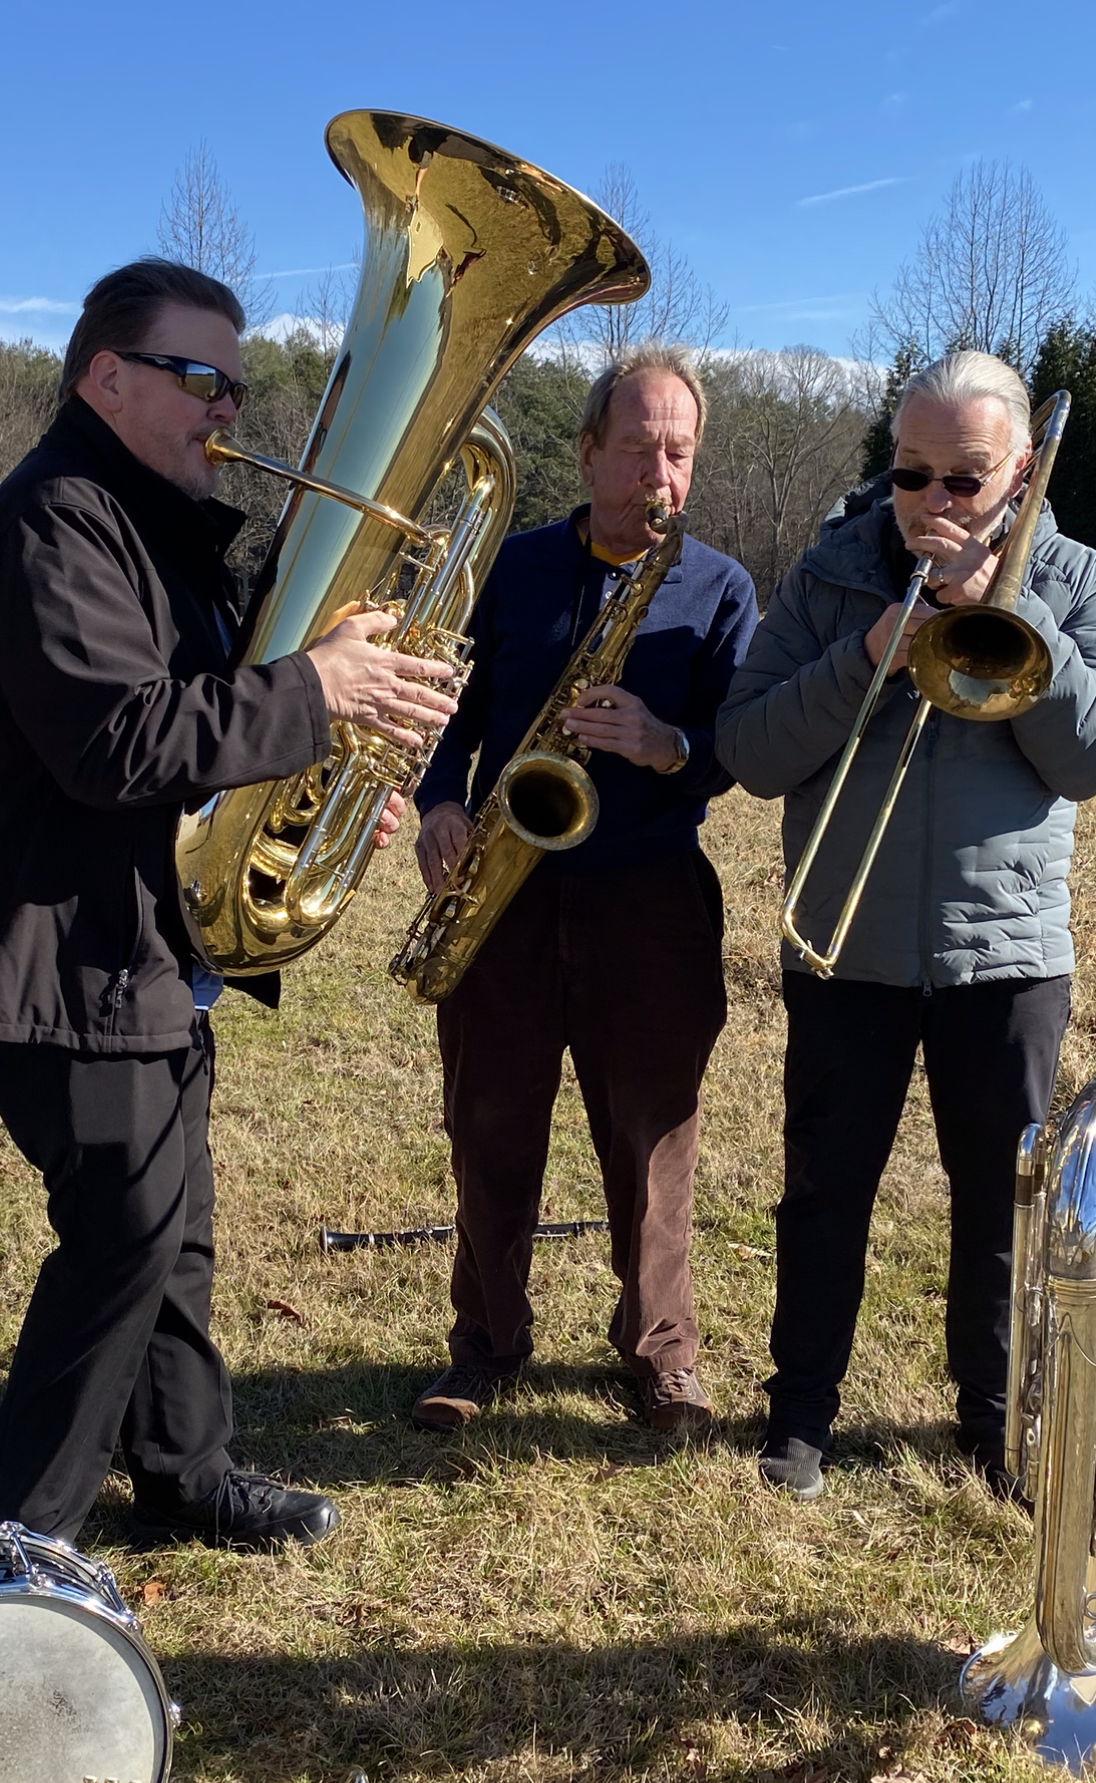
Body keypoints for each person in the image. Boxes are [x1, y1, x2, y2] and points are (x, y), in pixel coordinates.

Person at [0, 257, 455, 1549]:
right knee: (122, 1237)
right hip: (64, 961)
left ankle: (184, 1468)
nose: (229, 407)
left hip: (133, 946)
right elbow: (116, 739)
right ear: (106, 376)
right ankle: (12, 1550)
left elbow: (211, 732)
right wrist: (315, 691)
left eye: (237, 382)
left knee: (174, 1222)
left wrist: (334, 769)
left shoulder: (147, 524)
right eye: (199, 377)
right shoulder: (59, 520)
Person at [715, 349, 1096, 1500]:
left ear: (1017, 472)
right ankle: (798, 1417)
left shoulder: (1069, 575)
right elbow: (748, 752)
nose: (934, 506)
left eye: (965, 479)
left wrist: (1018, 628)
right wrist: (864, 656)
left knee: (996, 1202)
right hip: (844, 948)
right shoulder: (829, 576)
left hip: (1003, 957)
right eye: (911, 476)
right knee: (821, 1193)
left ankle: (993, 1422)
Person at [407, 344, 758, 1436]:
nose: (661, 473)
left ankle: (660, 1355)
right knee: (488, 1122)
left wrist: (664, 745)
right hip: (503, 891)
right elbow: (440, 710)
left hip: (649, 894)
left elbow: (737, 743)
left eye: (679, 452)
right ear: (587, 451)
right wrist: (435, 802)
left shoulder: (719, 588)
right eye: (640, 448)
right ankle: (484, 1343)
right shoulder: (507, 569)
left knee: (652, 1133)